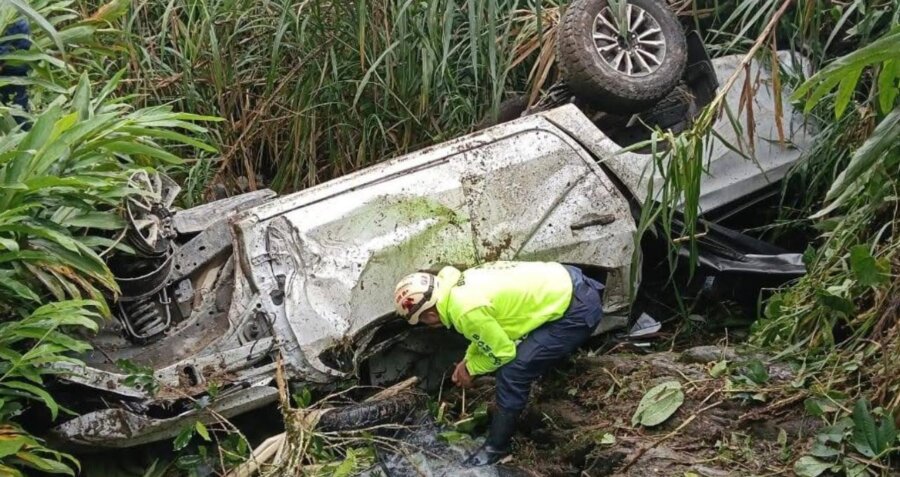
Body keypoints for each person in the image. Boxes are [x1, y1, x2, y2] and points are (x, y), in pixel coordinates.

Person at [392, 261, 604, 466]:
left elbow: (503, 353)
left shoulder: (464, 310)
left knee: (513, 371)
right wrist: (467, 360)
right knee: (521, 357)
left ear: (430, 315)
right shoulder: (457, 288)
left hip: (577, 311)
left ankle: (497, 448)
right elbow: (484, 334)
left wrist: (471, 369)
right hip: (569, 280)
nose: (426, 325)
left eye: (422, 320)